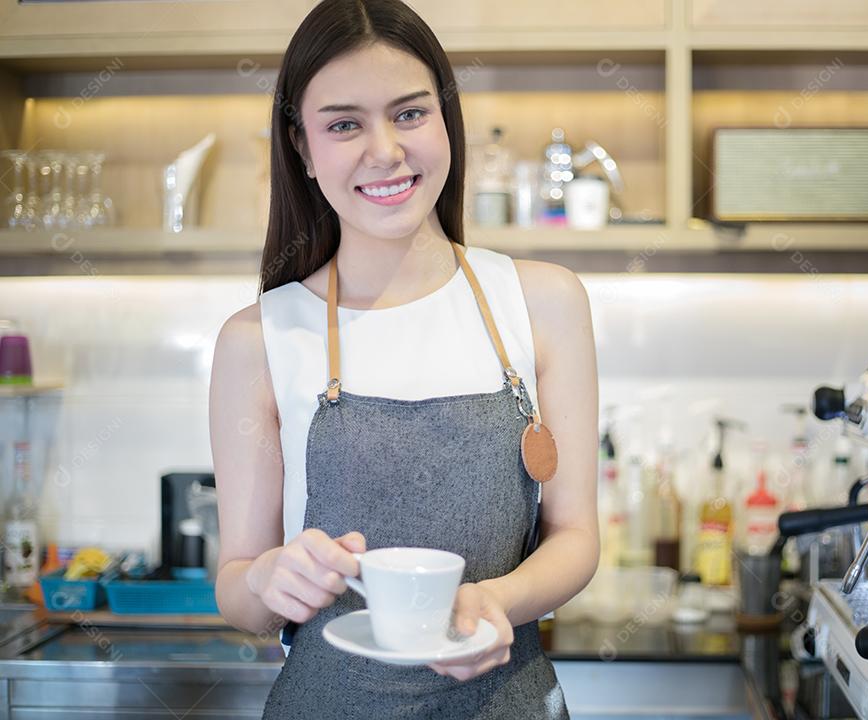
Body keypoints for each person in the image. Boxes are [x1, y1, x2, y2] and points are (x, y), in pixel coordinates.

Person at [208, 0, 599, 717]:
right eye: (345, 124)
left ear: (446, 120)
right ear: (302, 145)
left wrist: (497, 602)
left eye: (411, 114)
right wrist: (267, 580)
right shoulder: (256, 339)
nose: (385, 151)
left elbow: (575, 538)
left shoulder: (544, 302)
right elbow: (238, 588)